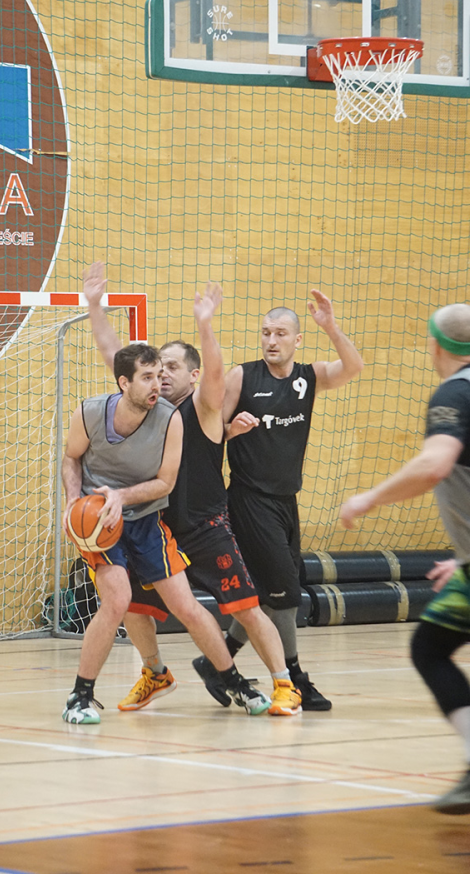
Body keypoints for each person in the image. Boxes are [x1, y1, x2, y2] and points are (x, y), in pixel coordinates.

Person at [82, 262, 302, 717]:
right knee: (134, 608)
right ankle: (154, 673)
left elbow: (217, 373)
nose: (162, 374)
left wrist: (205, 324)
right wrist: (95, 306)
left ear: (193, 375)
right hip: (158, 527)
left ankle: (285, 683)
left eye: (173, 367)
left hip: (205, 528)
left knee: (246, 607)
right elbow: (113, 355)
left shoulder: (203, 409)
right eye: (158, 368)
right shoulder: (149, 408)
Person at [62, 339, 267, 724]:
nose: (157, 384)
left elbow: (165, 483)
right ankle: (80, 695)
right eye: (147, 377)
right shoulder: (89, 413)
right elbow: (71, 458)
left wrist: (122, 496)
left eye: (159, 375)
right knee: (118, 600)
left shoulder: (170, 418)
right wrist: (74, 501)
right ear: (124, 382)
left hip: (145, 518)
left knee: (185, 605)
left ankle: (234, 681)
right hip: (100, 521)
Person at [193, 292, 364, 712]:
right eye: (266, 333)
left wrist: (330, 326)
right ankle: (294, 678)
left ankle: (216, 661)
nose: (271, 340)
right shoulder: (242, 376)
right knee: (286, 595)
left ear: (297, 339)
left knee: (271, 595)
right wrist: (232, 430)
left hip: (287, 501)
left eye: (281, 333)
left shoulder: (308, 377)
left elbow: (353, 367)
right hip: (249, 500)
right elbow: (210, 432)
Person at [340, 304, 470, 813]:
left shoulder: (455, 393)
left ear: (436, 345)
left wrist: (369, 499)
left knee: (431, 650)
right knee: (431, 645)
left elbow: (435, 463)